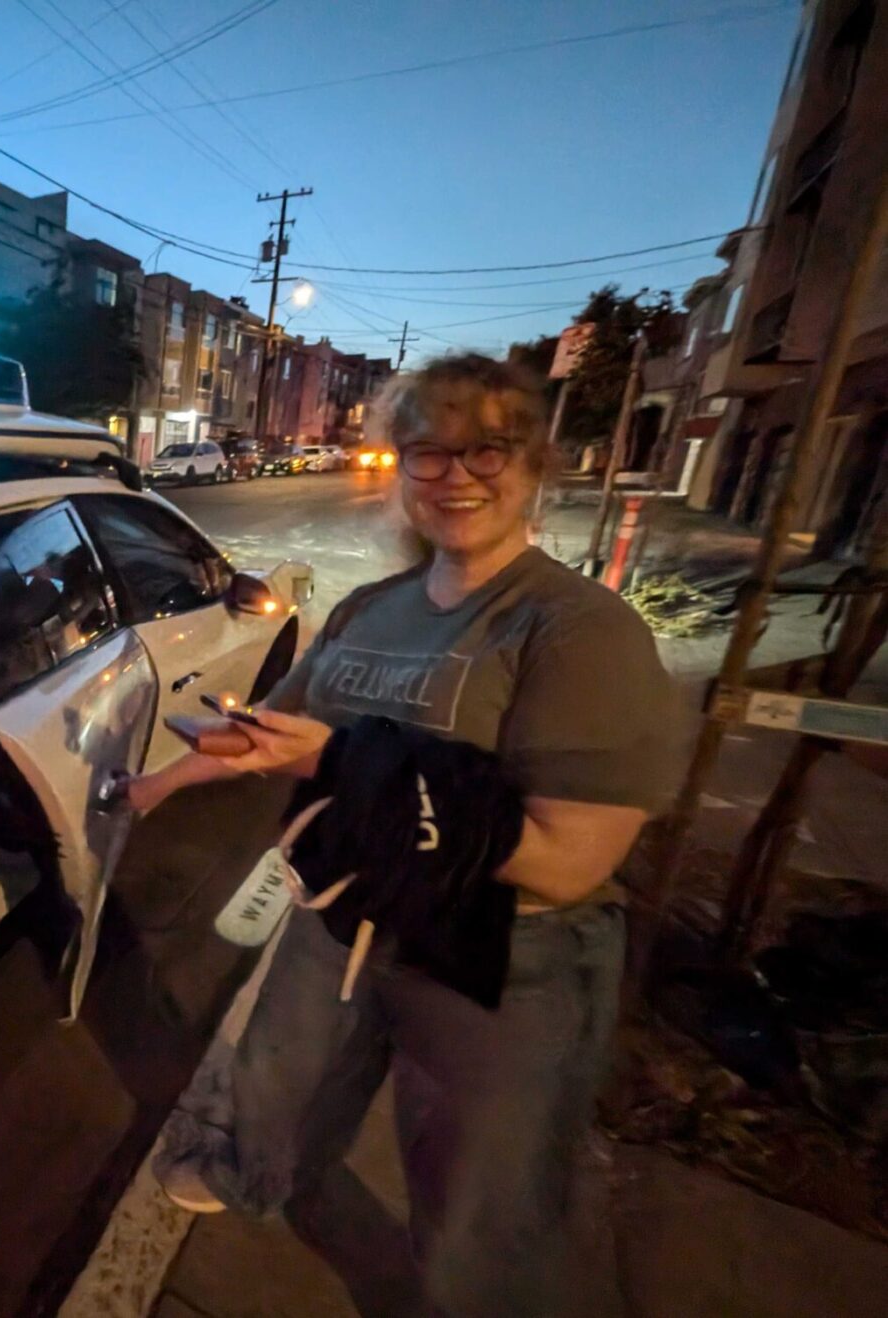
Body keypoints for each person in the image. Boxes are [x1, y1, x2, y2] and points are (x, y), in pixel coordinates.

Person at [129, 353, 688, 1318]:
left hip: (510, 958)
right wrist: (159, 780)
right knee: (279, 1084)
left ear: (536, 463)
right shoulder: (368, 608)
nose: (458, 476)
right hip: (351, 911)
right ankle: (251, 1175)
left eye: (489, 450)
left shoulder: (575, 628)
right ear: (401, 464)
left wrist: (351, 768)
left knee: (484, 1200)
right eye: (430, 452)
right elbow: (280, 736)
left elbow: (569, 861)